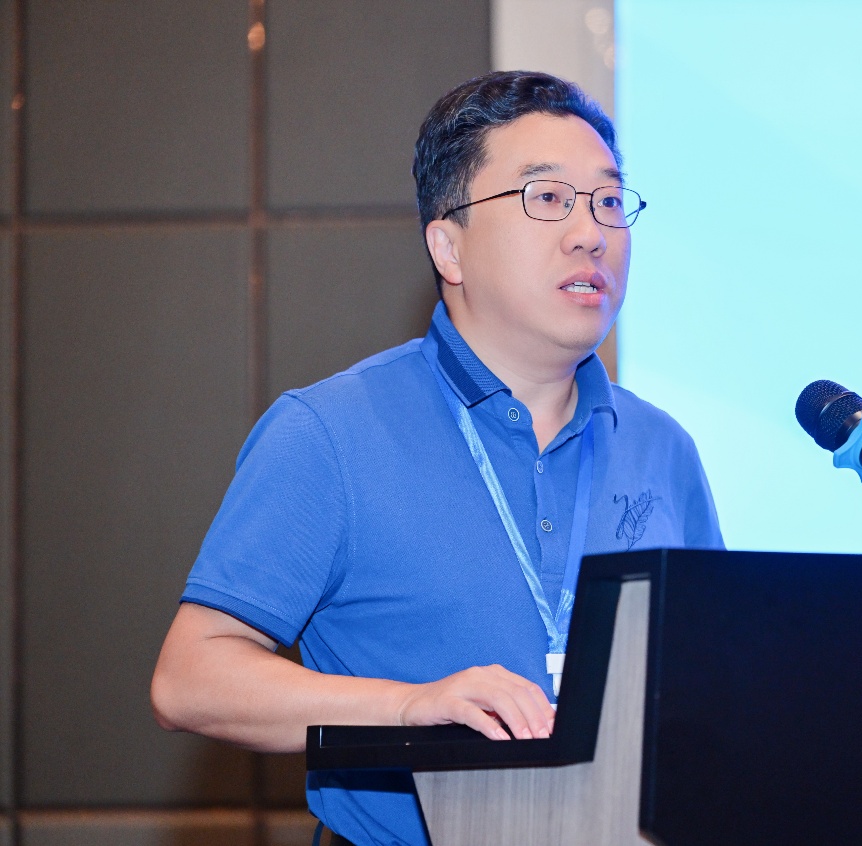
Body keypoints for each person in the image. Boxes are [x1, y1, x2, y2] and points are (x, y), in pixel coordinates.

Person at [150, 70, 724, 845]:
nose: (590, 232)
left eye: (608, 201)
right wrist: (408, 705)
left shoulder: (662, 448)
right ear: (448, 246)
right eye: (547, 198)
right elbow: (190, 681)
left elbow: (710, 690)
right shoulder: (330, 433)